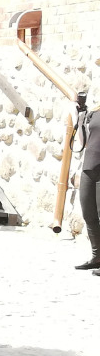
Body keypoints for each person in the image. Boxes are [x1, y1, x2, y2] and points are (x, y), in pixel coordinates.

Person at [76, 103, 100, 273]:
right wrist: (80, 119)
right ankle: (97, 256)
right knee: (88, 213)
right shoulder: (95, 112)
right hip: (89, 166)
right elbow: (83, 142)